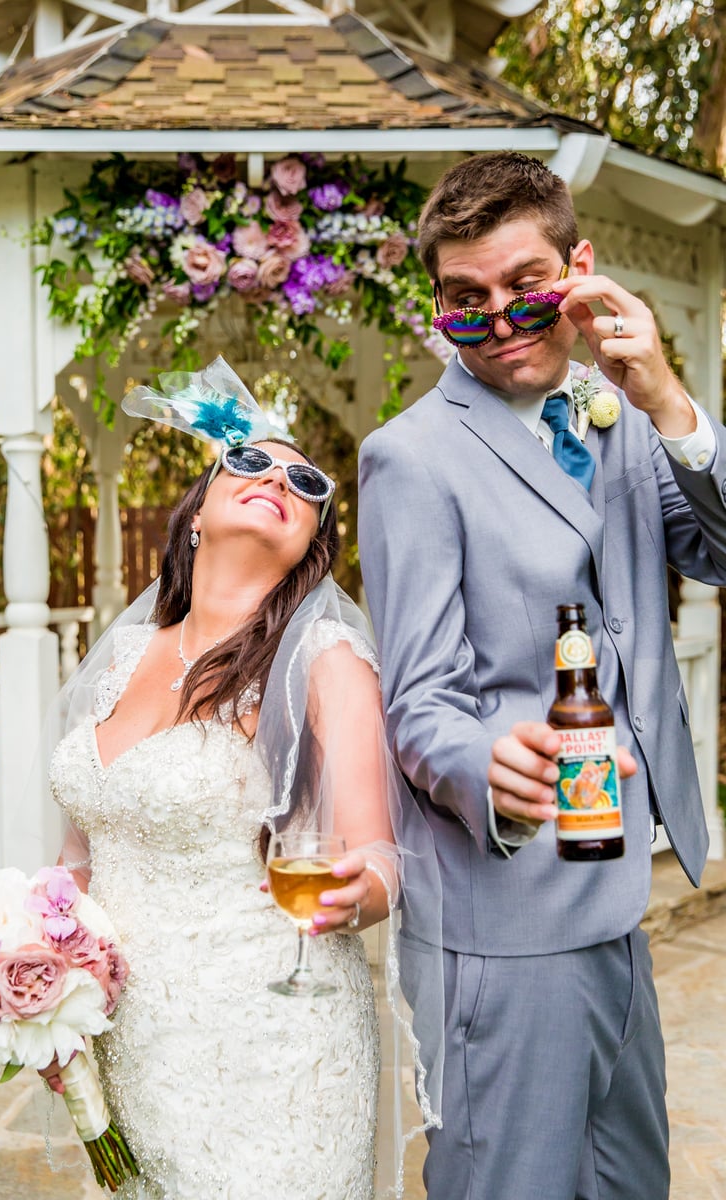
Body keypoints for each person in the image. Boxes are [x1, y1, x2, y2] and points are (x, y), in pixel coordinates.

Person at [357, 151, 726, 1200]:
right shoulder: (410, 458)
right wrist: (487, 764)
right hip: (504, 912)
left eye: (525, 287)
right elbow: (418, 699)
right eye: (464, 300)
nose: (499, 321)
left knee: (627, 1183)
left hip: (615, 893)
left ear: (579, 267)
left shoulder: (624, 418)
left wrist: (666, 398)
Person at [40, 358, 442, 1200]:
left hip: (273, 1043)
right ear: (197, 513)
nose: (277, 480)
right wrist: (42, 970)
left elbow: (378, 857)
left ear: (312, 546)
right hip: (132, 1042)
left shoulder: (327, 661)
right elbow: (80, 860)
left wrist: (353, 895)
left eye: (306, 482)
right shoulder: (121, 656)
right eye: (250, 461)